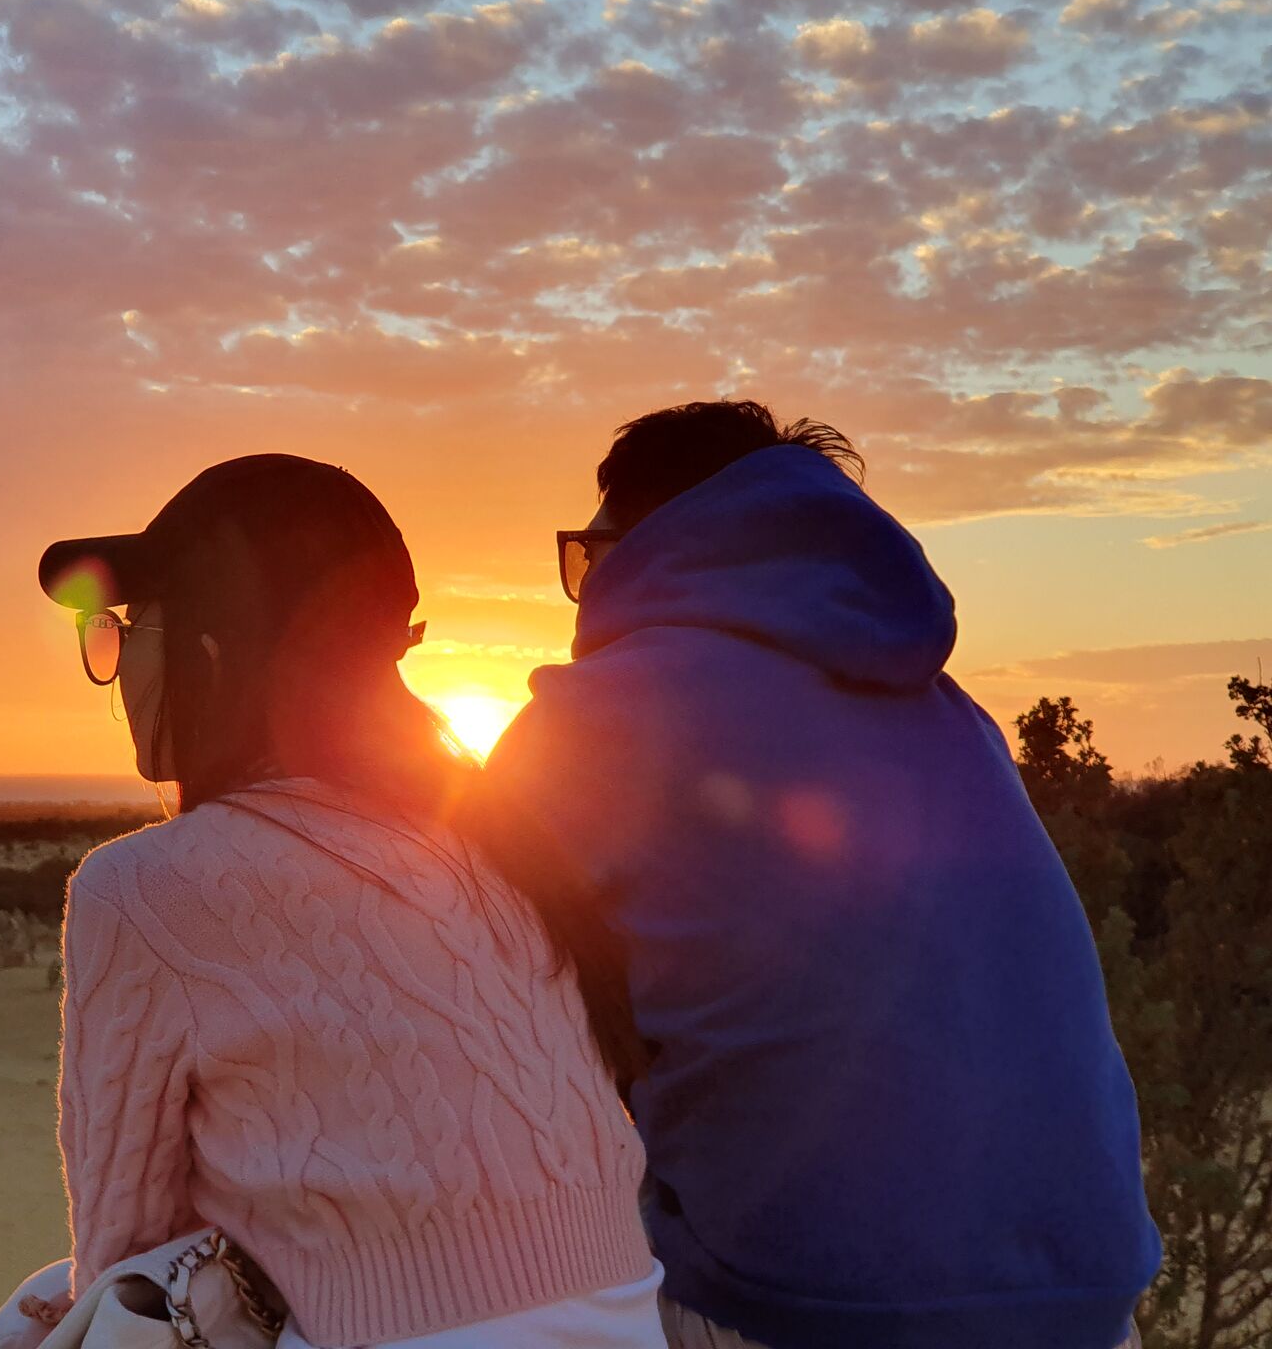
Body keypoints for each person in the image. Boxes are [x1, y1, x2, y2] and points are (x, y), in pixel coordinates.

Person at [485, 401, 1160, 1349]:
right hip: (1092, 1299)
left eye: (590, 558)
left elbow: (479, 1012)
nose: (588, 591)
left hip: (805, 1304)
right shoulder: (954, 716)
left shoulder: (586, 720)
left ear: (649, 545)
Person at [30, 453, 668, 1349]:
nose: (115, 665)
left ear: (208, 656)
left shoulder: (142, 887)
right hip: (627, 1317)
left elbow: (126, 1254)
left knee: (27, 1320)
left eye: (128, 630)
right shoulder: (500, 839)